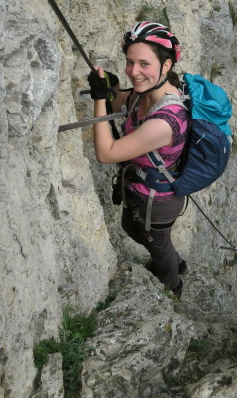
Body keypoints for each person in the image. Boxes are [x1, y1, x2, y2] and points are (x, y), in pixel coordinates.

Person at [88, 22, 189, 299]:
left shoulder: (166, 121)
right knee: (134, 230)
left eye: (144, 63)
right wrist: (112, 86)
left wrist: (99, 98)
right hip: (143, 189)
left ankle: (173, 283)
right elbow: (122, 102)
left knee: (157, 245)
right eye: (130, 62)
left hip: (158, 200)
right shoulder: (144, 92)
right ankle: (173, 260)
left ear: (166, 65)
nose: (134, 71)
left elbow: (106, 153)